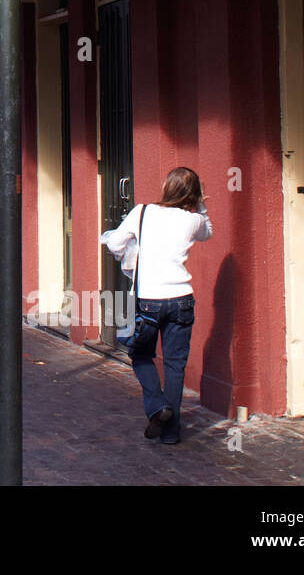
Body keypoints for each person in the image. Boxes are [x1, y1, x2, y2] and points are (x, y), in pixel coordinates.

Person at [101, 167, 212, 445]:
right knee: (175, 365)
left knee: (139, 355)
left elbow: (114, 242)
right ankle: (171, 433)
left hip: (148, 300)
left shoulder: (143, 212)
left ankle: (157, 406)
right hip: (182, 300)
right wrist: (200, 202)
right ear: (193, 193)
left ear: (166, 187)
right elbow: (208, 232)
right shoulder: (193, 220)